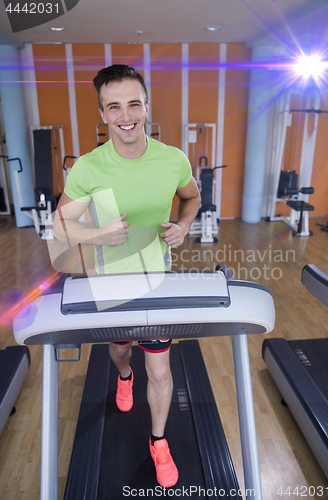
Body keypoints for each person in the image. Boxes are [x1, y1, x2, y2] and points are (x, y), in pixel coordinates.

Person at [53, 64, 201, 488]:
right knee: (121, 352)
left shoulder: (172, 159)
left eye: (133, 103)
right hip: (110, 285)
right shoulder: (88, 168)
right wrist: (99, 233)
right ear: (103, 114)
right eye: (113, 106)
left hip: (156, 279)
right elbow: (61, 224)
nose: (125, 115)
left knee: (160, 369)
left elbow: (192, 198)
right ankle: (122, 376)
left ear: (146, 106)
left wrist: (185, 225)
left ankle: (158, 441)